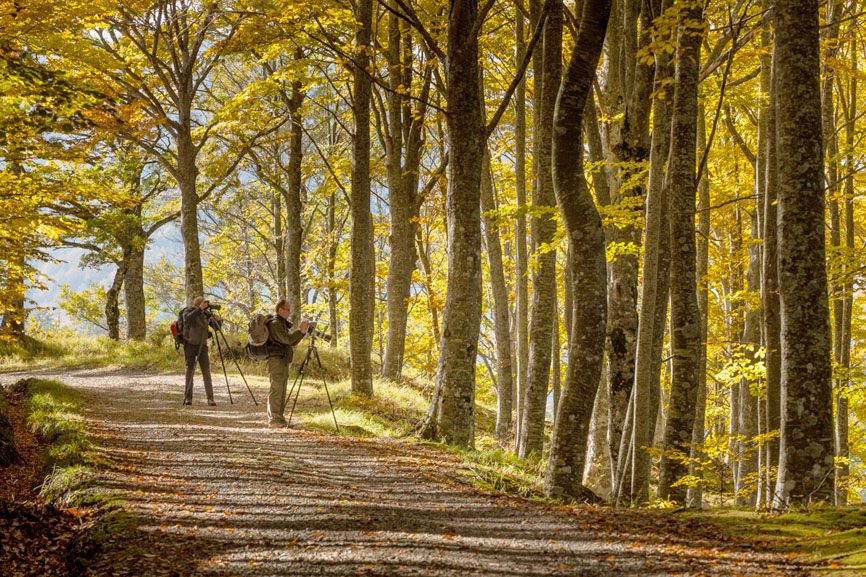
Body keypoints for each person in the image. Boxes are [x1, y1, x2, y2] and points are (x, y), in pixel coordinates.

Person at [266, 298, 310, 427]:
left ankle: (279, 419)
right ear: (280, 310)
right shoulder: (275, 323)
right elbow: (287, 339)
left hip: (282, 359)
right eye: (287, 310)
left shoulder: (281, 323)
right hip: (276, 360)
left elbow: (291, 341)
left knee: (281, 389)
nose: (289, 313)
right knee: (276, 389)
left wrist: (301, 333)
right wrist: (300, 331)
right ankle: (274, 419)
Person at [182, 296, 219, 406]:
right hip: (190, 345)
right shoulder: (188, 312)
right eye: (203, 303)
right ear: (197, 304)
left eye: (206, 304)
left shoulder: (206, 315)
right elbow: (188, 319)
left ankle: (210, 398)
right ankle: (188, 397)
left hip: (202, 346)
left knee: (206, 371)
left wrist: (218, 320)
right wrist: (199, 309)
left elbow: (217, 328)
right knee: (190, 371)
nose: (205, 306)